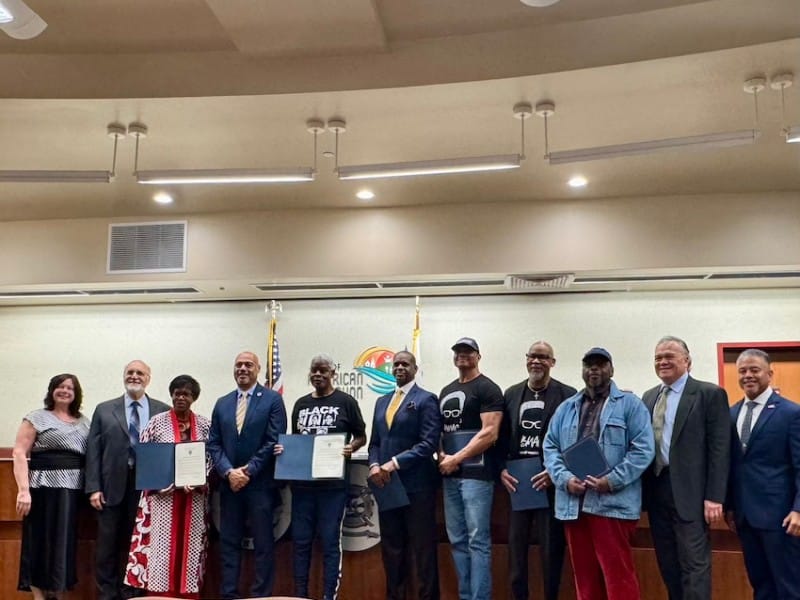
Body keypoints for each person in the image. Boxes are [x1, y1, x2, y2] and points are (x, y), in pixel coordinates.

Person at [543, 347, 654, 600]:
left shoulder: (631, 406)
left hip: (611, 506)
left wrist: (611, 480)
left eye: (601, 364)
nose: (594, 369)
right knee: (584, 578)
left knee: (618, 577)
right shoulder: (566, 408)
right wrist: (564, 479)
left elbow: (643, 450)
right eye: (589, 364)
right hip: (573, 506)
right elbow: (550, 447)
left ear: (611, 370)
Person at [641, 336, 730, 600]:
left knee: (694, 566)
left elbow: (720, 450)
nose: (663, 362)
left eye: (669, 356)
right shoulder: (648, 397)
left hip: (692, 494)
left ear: (687, 361)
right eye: (658, 358)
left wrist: (715, 496)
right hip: (657, 492)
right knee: (668, 566)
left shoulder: (708, 394)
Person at [276, 354, 367, 600]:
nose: (318, 375)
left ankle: (329, 596)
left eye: (323, 371)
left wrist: (352, 447)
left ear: (332, 374)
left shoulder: (346, 401)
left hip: (333, 488)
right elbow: (297, 440)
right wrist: (285, 451)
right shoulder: (301, 404)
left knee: (329, 542)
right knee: (301, 543)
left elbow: (361, 436)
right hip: (303, 487)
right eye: (314, 371)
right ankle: (300, 595)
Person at [85, 360, 169, 600]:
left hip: (147, 488)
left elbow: (169, 449)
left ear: (148, 378)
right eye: (130, 372)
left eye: (140, 373)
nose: (134, 376)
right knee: (106, 547)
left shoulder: (162, 410)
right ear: (124, 376)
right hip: (110, 488)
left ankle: (134, 593)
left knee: (140, 544)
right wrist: (93, 488)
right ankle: (107, 594)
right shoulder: (104, 409)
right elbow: (93, 451)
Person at [499, 341, 577, 600]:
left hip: (550, 483)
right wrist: (500, 470)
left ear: (552, 362)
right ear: (526, 359)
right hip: (518, 483)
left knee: (551, 551)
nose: (536, 361)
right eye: (532, 356)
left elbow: (575, 440)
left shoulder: (568, 395)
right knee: (516, 551)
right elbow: (500, 438)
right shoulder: (510, 394)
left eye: (543, 357)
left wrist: (557, 472)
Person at [207, 351, 287, 599]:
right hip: (230, 485)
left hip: (260, 485)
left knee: (263, 543)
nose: (242, 368)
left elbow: (273, 440)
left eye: (248, 365)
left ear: (258, 369)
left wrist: (248, 470)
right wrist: (229, 472)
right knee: (229, 543)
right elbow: (214, 443)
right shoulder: (222, 402)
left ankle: (260, 595)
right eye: (238, 364)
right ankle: (229, 593)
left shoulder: (272, 399)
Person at [125, 374, 211, 599]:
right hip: (162, 497)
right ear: (171, 395)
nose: (181, 397)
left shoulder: (204, 424)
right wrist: (156, 484)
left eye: (186, 394)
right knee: (161, 547)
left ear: (194, 398)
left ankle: (188, 594)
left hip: (193, 498)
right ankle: (159, 594)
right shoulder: (156, 422)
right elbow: (145, 456)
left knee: (190, 549)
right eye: (177, 393)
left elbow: (211, 457)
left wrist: (201, 480)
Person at [368, 350, 442, 600]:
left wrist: (395, 463)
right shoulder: (381, 401)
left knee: (422, 550)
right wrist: (375, 465)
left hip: (417, 486)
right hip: (387, 485)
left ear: (415, 368)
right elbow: (375, 443)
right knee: (392, 548)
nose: (400, 367)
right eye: (396, 364)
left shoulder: (426, 399)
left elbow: (428, 443)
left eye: (405, 364)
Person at [726, 349, 800, 599]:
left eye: (754, 370)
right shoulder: (731, 413)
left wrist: (798, 509)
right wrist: (730, 507)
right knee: (761, 585)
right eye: (743, 371)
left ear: (769, 373)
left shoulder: (791, 413)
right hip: (746, 518)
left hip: (781, 518)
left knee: (789, 586)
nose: (748, 375)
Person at [13, 373, 91, 600]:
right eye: (60, 387)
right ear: (52, 390)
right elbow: (19, 452)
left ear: (76, 394)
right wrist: (23, 490)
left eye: (70, 388)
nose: (65, 391)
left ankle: (58, 594)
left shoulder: (84, 422)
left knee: (64, 544)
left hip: (73, 491)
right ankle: (38, 595)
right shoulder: (36, 417)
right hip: (42, 489)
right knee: (39, 542)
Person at [438, 336, 504, 600]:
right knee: (457, 540)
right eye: (458, 351)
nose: (462, 355)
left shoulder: (488, 388)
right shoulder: (445, 391)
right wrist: (443, 455)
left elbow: (490, 433)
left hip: (477, 477)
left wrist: (457, 458)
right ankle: (465, 595)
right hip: (450, 477)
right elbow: (440, 432)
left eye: (468, 351)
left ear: (478, 356)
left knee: (477, 541)